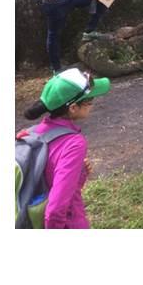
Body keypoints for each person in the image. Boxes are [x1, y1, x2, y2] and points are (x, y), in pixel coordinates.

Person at [21, 68, 112, 228]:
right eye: (89, 101)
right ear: (73, 108)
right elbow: (56, 208)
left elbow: (49, 180)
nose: (92, 105)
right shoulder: (73, 143)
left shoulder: (29, 134)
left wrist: (79, 173)